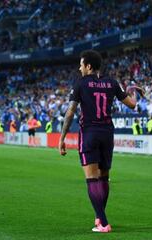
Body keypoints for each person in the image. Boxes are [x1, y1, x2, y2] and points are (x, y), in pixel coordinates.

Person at [58, 50, 139, 233]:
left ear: (88, 66)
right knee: (103, 176)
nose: (79, 68)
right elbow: (132, 104)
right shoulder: (111, 82)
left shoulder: (80, 83)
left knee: (92, 178)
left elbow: (70, 112)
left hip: (89, 133)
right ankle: (99, 216)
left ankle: (103, 222)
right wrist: (133, 90)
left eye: (81, 64)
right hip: (107, 133)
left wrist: (62, 138)